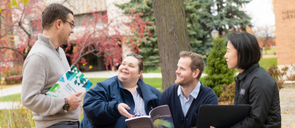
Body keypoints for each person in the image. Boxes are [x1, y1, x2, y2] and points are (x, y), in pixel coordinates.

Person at [21, 3, 82, 128]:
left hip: (70, 123)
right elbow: (29, 99)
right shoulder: (38, 56)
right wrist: (65, 102)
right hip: (55, 125)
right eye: (71, 24)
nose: (72, 30)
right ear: (59, 24)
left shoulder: (59, 51)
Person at [81, 53, 162, 128]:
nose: (125, 67)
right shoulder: (103, 87)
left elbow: (165, 117)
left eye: (131, 66)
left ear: (139, 73)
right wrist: (115, 108)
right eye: (123, 64)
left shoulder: (152, 93)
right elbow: (90, 109)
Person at [223, 32, 281, 127]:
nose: (226, 55)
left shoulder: (260, 80)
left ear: (242, 52)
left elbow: (255, 120)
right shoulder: (245, 77)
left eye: (228, 51)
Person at [159, 51, 218, 128]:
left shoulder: (209, 98)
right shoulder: (167, 95)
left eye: (182, 69)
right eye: (177, 67)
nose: (177, 71)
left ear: (195, 73)